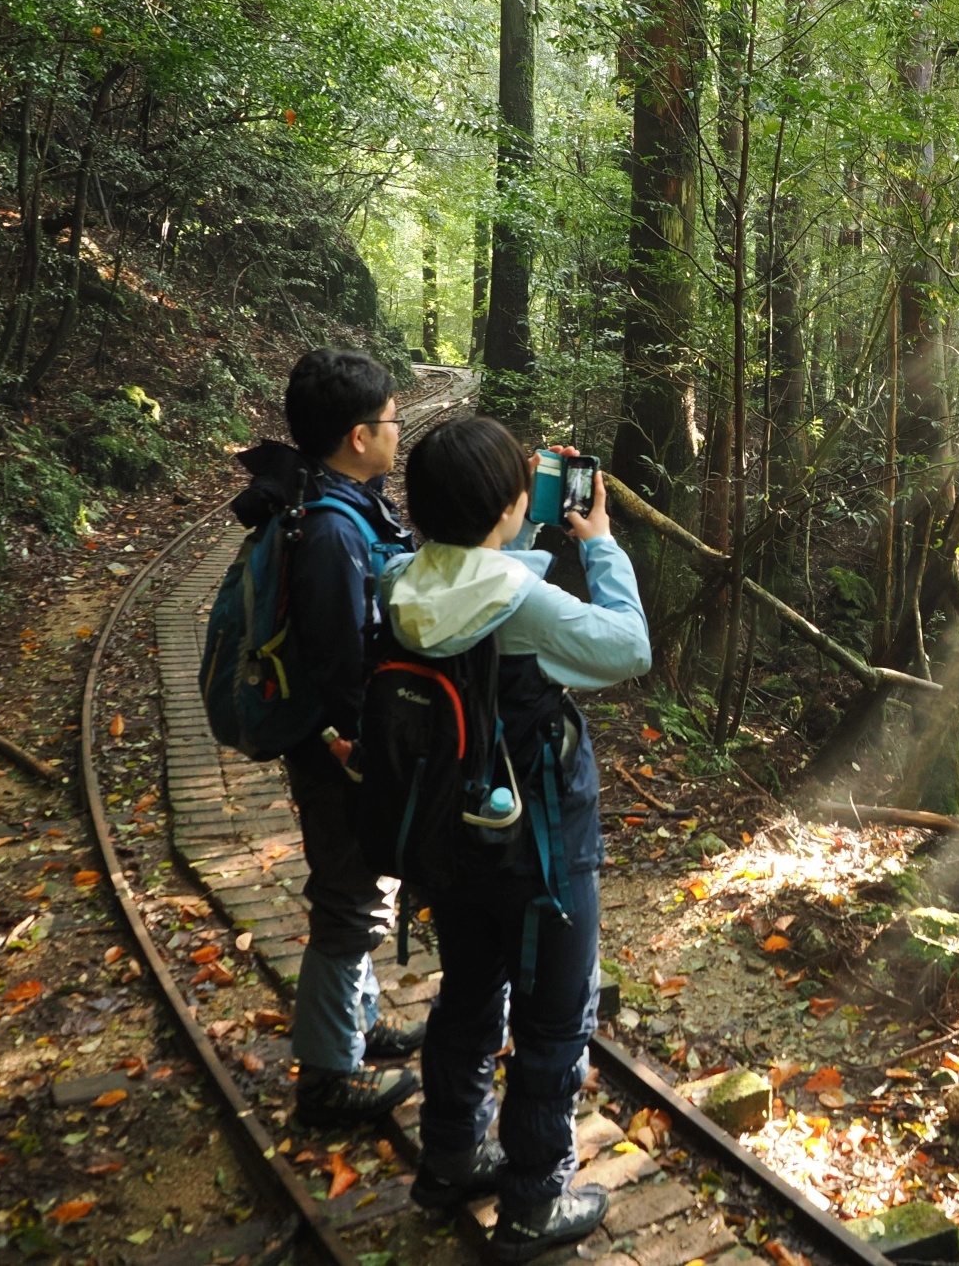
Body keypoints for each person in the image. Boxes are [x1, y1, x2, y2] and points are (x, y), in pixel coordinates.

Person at [377, 417, 650, 1261]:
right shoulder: (522, 600)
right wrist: (598, 543)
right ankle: (534, 1198)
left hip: (446, 839)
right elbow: (629, 647)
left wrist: (512, 520)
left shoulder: (399, 579)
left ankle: (451, 1157)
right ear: (504, 505)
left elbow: (472, 575)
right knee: (553, 1019)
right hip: (538, 845)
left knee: (469, 991)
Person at [228, 348, 426, 1127]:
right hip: (338, 750)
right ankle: (327, 1078)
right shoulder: (336, 534)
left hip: (330, 742)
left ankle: (357, 1026)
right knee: (348, 902)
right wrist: (363, 746)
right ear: (357, 436)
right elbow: (343, 660)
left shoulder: (327, 502)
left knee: (362, 890)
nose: (397, 433)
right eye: (391, 422)